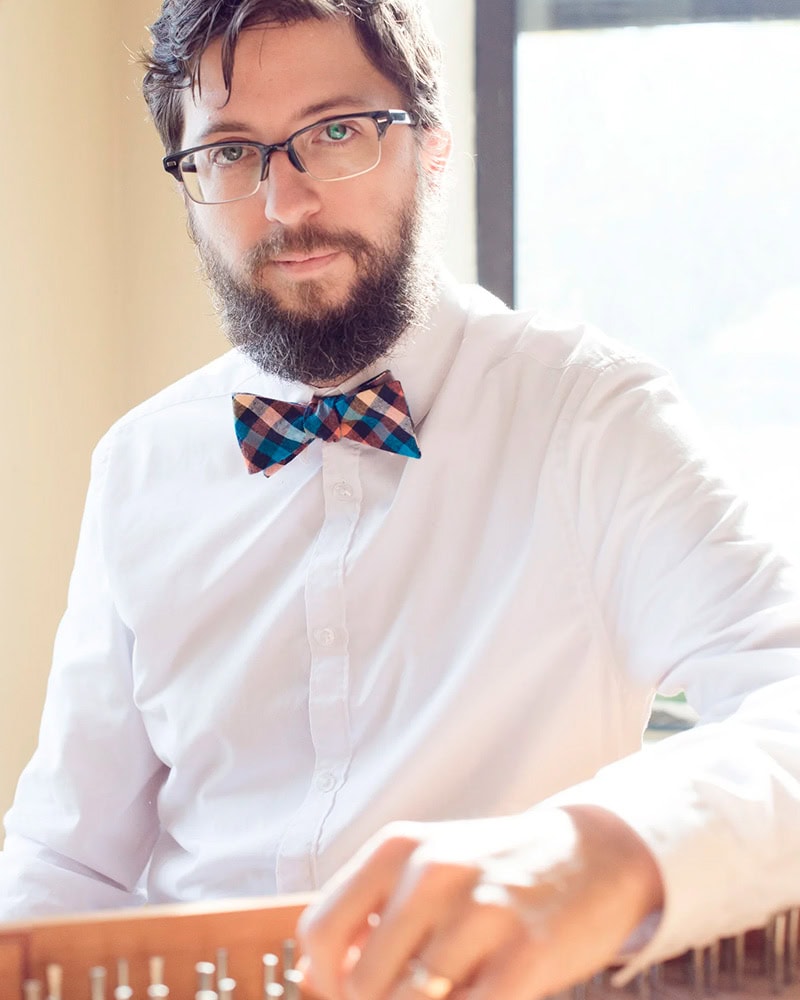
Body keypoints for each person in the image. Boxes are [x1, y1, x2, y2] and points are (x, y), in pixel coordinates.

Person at [2, 1, 799, 998]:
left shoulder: (591, 414)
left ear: (430, 145)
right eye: (231, 151)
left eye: (335, 133)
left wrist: (596, 849)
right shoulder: (135, 465)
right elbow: (65, 861)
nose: (283, 204)